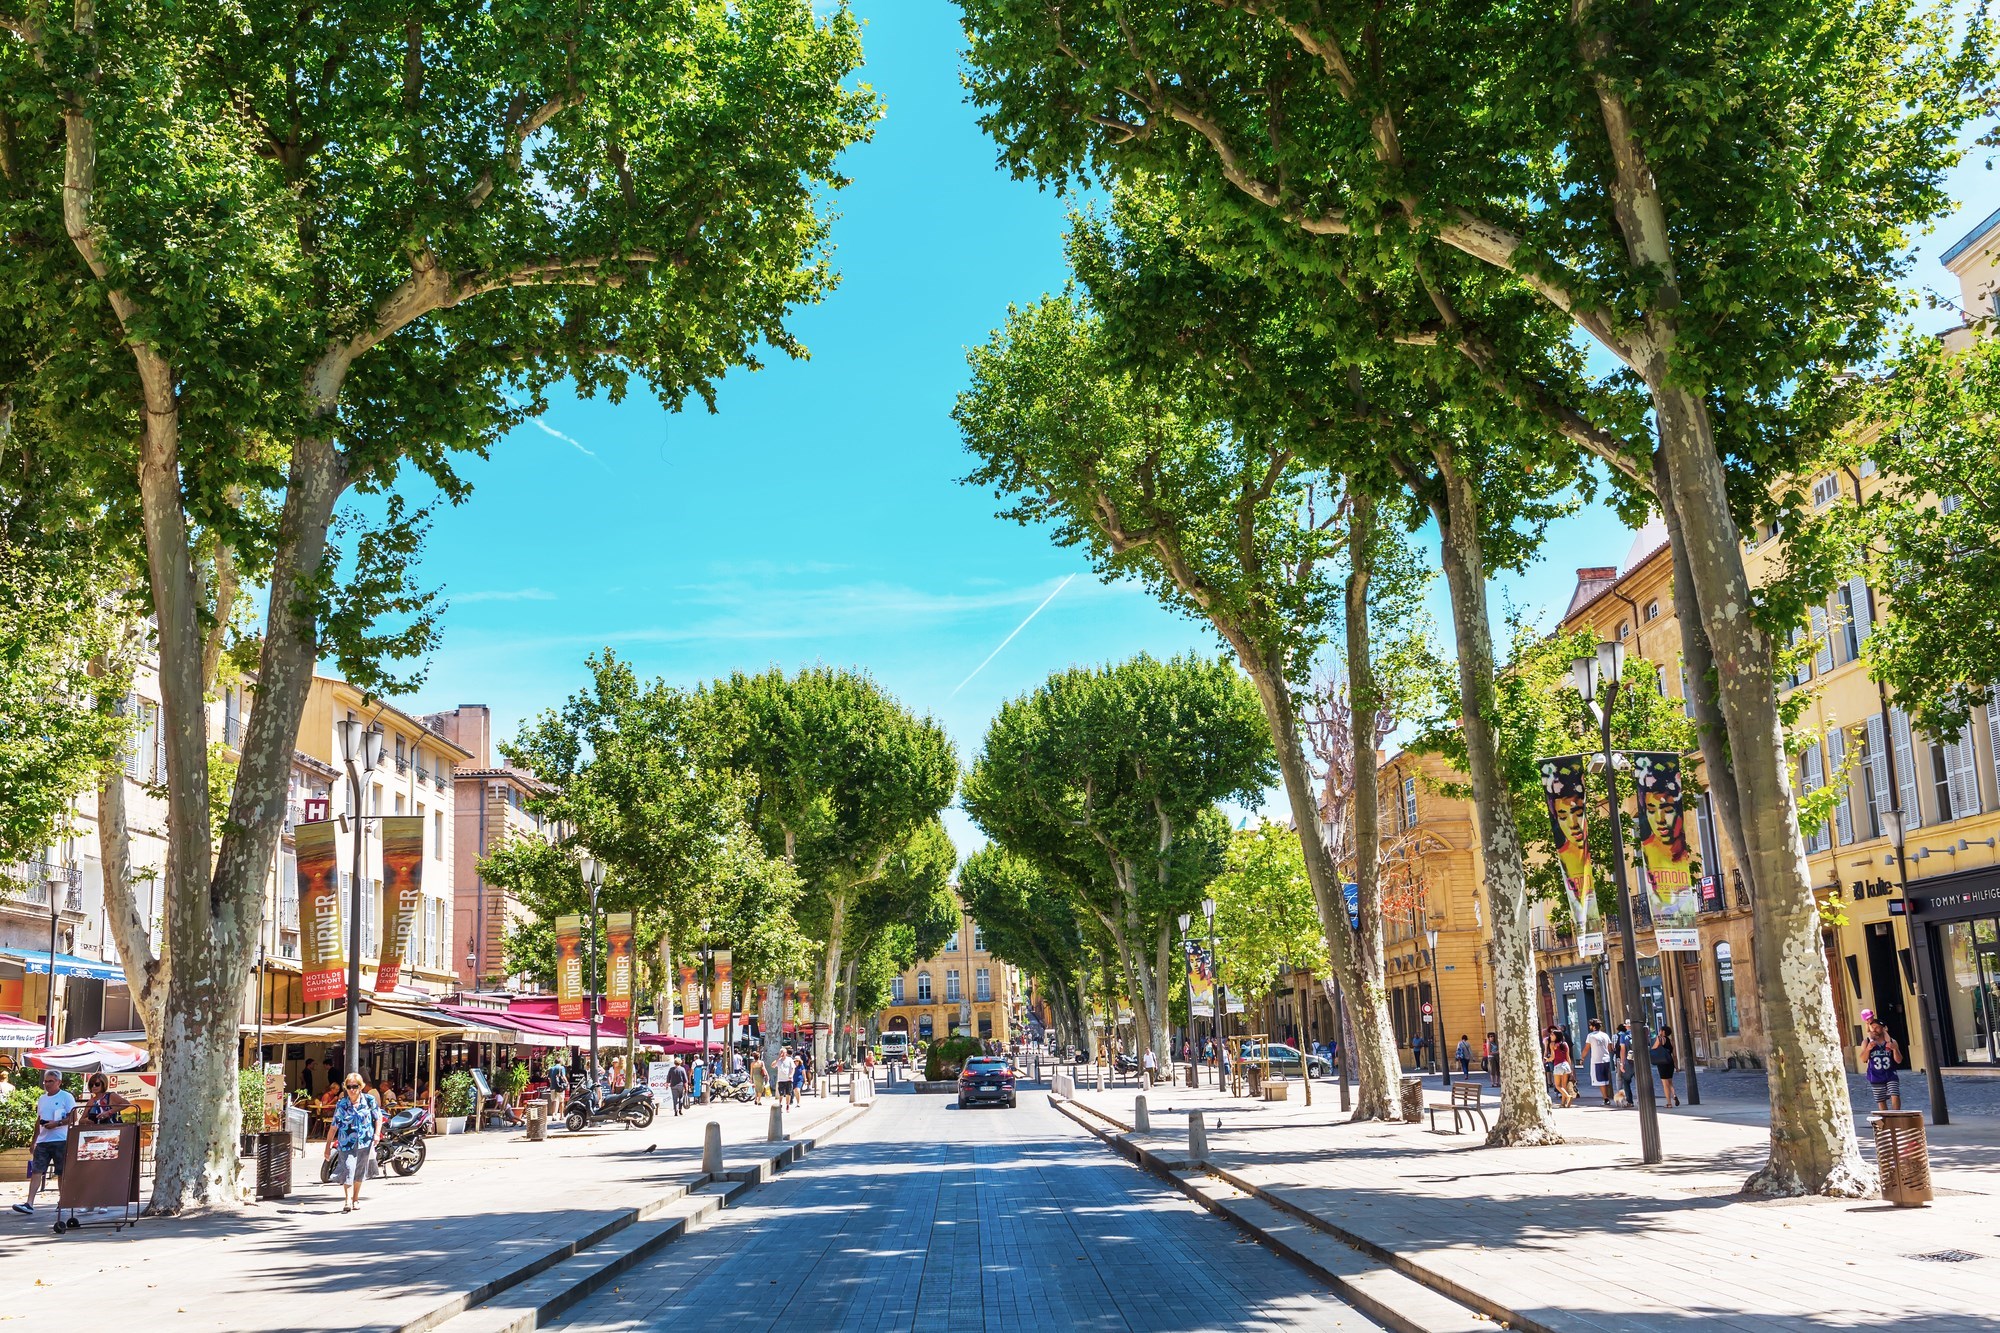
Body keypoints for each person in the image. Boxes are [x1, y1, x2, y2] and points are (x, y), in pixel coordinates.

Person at [13, 1070, 75, 1218]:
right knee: (37, 1170)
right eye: (45, 1081)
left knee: (61, 1172)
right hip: (43, 1140)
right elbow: (38, 1120)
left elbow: (73, 1117)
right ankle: (29, 1203)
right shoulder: (42, 1098)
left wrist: (57, 1123)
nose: (47, 1084)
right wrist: (34, 1140)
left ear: (59, 1082)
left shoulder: (66, 1096)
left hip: (61, 1139)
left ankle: (63, 1201)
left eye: (50, 1081)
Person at [324, 1074, 381, 1213]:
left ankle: (356, 1198)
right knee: (348, 1168)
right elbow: (333, 1126)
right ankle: (347, 1199)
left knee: (360, 1171)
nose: (352, 1090)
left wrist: (377, 1134)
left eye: (355, 1086)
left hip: (365, 1141)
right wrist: (327, 1147)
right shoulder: (342, 1104)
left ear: (361, 1087)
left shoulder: (369, 1100)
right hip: (346, 1142)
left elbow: (378, 1117)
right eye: (349, 1087)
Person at [1863, 1012, 1903, 1111]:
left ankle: (1896, 1116)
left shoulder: (1892, 1042)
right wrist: (1868, 1049)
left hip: (1890, 1074)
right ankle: (1886, 1121)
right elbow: (1863, 1059)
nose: (1874, 1030)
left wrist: (1895, 1049)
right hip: (1875, 1076)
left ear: (1884, 1028)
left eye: (1877, 1027)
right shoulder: (1867, 1042)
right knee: (1881, 1101)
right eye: (1873, 1027)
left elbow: (1898, 1061)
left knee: (1895, 1094)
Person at [1582, 1019, 1614, 1105]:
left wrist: (1582, 1058)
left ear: (1593, 1026)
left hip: (1597, 1060)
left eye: (1590, 1025)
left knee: (1600, 1081)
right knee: (1605, 1080)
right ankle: (1607, 1096)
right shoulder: (1605, 1035)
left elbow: (1586, 1048)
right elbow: (1610, 1048)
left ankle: (1605, 1098)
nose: (1589, 1027)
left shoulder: (1590, 1036)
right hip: (1606, 1059)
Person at [1652, 1024, 1680, 1108]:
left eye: (1660, 1030)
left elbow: (1654, 1048)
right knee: (1670, 1081)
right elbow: (1674, 1054)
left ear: (1663, 1032)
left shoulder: (1660, 1039)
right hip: (1670, 1062)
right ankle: (1674, 1095)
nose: (1659, 1031)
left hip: (1662, 1063)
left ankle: (1669, 1103)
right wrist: (1676, 1065)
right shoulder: (1671, 1041)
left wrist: (1657, 1038)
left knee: (1665, 1084)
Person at [1549, 1029, 1576, 1107]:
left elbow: (1552, 1057)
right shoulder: (1565, 1044)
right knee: (1564, 1085)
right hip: (1566, 1065)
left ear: (1556, 1036)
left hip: (1558, 1065)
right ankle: (1563, 1103)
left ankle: (1568, 1096)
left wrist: (1547, 1059)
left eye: (1552, 1035)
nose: (1550, 1036)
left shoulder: (1552, 1044)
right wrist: (1571, 1069)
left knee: (1558, 1085)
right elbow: (1568, 1057)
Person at [1613, 1021, 1637, 1108]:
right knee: (1639, 1081)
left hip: (1628, 1062)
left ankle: (1630, 1101)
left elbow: (1622, 1051)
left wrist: (1622, 1064)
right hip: (1639, 1062)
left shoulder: (1623, 1036)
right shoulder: (1639, 1034)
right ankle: (1641, 1099)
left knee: (1626, 1082)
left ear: (1626, 1026)